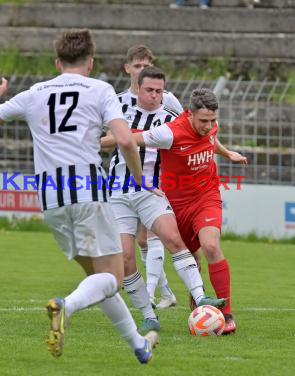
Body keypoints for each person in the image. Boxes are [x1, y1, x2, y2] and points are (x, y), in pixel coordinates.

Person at [0, 29, 159, 363]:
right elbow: (127, 141)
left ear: (58, 62)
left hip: (51, 198)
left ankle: (139, 346)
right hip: (88, 191)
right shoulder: (100, 89)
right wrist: (138, 179)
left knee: (99, 279)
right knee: (112, 279)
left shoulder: (34, 93)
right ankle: (65, 306)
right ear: (90, 62)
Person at [102, 67, 227, 334]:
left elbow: (205, 135)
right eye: (149, 90)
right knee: (125, 257)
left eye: (159, 91)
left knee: (172, 238)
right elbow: (107, 140)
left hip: (153, 191)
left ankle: (200, 297)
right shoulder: (119, 112)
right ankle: (148, 314)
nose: (155, 96)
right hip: (118, 191)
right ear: (138, 86)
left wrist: (228, 153)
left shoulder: (170, 118)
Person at [131, 88, 247, 335]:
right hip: (176, 204)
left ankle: (226, 315)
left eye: (213, 120)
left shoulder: (211, 127)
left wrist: (228, 154)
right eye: (203, 121)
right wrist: (98, 141)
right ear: (190, 114)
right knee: (191, 257)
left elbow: (211, 140)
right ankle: (199, 298)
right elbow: (133, 138)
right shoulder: (170, 132)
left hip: (207, 197)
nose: (209, 126)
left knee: (211, 246)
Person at [118, 45, 182, 310]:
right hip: (124, 179)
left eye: (147, 66)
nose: (142, 70)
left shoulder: (168, 100)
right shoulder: (118, 101)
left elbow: (185, 131)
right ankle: (165, 293)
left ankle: (153, 293)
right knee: (143, 240)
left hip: (157, 177)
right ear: (128, 69)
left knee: (153, 236)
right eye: (138, 66)